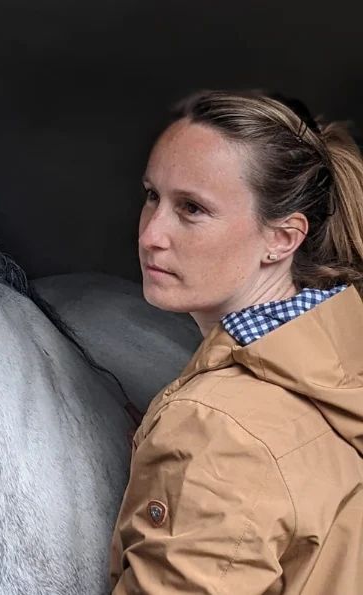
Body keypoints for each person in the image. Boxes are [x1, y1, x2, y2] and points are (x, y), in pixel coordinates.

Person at [109, 89, 363, 594]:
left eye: (193, 209)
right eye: (151, 196)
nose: (151, 234)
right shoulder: (343, 363)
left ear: (282, 239)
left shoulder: (217, 429)